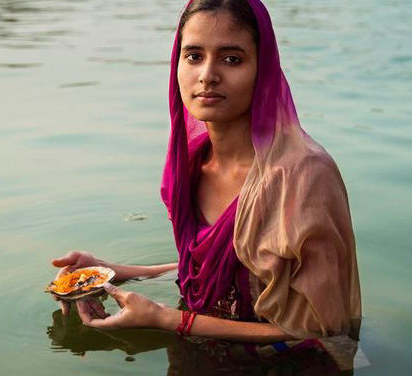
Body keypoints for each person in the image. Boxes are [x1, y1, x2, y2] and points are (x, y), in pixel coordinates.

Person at [50, 0, 361, 371]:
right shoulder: (192, 164)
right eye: (194, 56)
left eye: (232, 59)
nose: (208, 75)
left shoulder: (302, 175)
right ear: (176, 64)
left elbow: (323, 329)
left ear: (264, 69)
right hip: (199, 354)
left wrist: (172, 321)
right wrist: (114, 272)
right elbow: (230, 276)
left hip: (288, 364)